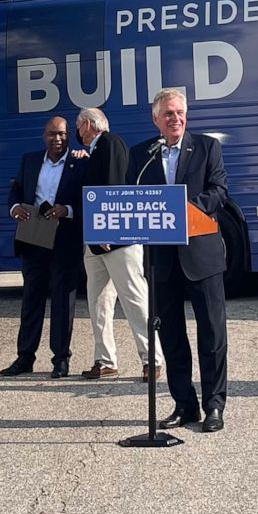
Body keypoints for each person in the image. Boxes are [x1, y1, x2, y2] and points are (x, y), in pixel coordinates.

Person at [126, 88, 229, 433]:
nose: (176, 119)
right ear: (155, 119)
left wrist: (186, 209)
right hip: (161, 260)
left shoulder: (206, 147)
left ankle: (214, 405)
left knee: (212, 334)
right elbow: (133, 197)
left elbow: (219, 191)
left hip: (201, 255)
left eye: (180, 112)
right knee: (171, 336)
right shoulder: (142, 154)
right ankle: (185, 405)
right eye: (168, 114)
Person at [75, 107, 162, 382]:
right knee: (98, 302)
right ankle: (105, 360)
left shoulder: (110, 143)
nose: (78, 133)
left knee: (134, 298)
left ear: (88, 124)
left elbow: (113, 188)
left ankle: (153, 359)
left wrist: (106, 228)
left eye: (78, 127)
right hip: (97, 242)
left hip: (116, 241)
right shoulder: (97, 151)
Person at [1, 116, 85, 378]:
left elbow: (89, 198)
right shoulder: (30, 160)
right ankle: (25, 358)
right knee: (31, 299)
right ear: (44, 135)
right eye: (52, 134)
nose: (57, 139)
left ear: (68, 134)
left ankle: (61, 360)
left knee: (62, 300)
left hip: (64, 238)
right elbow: (16, 190)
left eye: (62, 134)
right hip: (33, 236)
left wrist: (68, 210)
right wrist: (14, 208)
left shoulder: (80, 162)